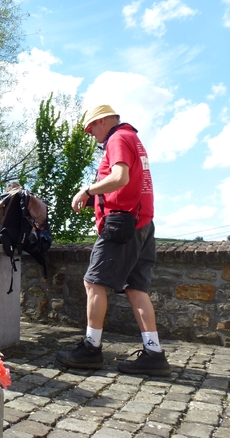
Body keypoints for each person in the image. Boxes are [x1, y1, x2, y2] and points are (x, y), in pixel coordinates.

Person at [55, 105, 170, 377]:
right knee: (136, 288)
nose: (91, 134)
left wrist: (87, 190)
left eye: (91, 127)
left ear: (103, 121)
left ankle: (91, 349)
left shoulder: (118, 138)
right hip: (143, 223)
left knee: (93, 282)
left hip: (122, 223)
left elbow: (120, 178)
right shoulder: (133, 139)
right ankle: (154, 353)